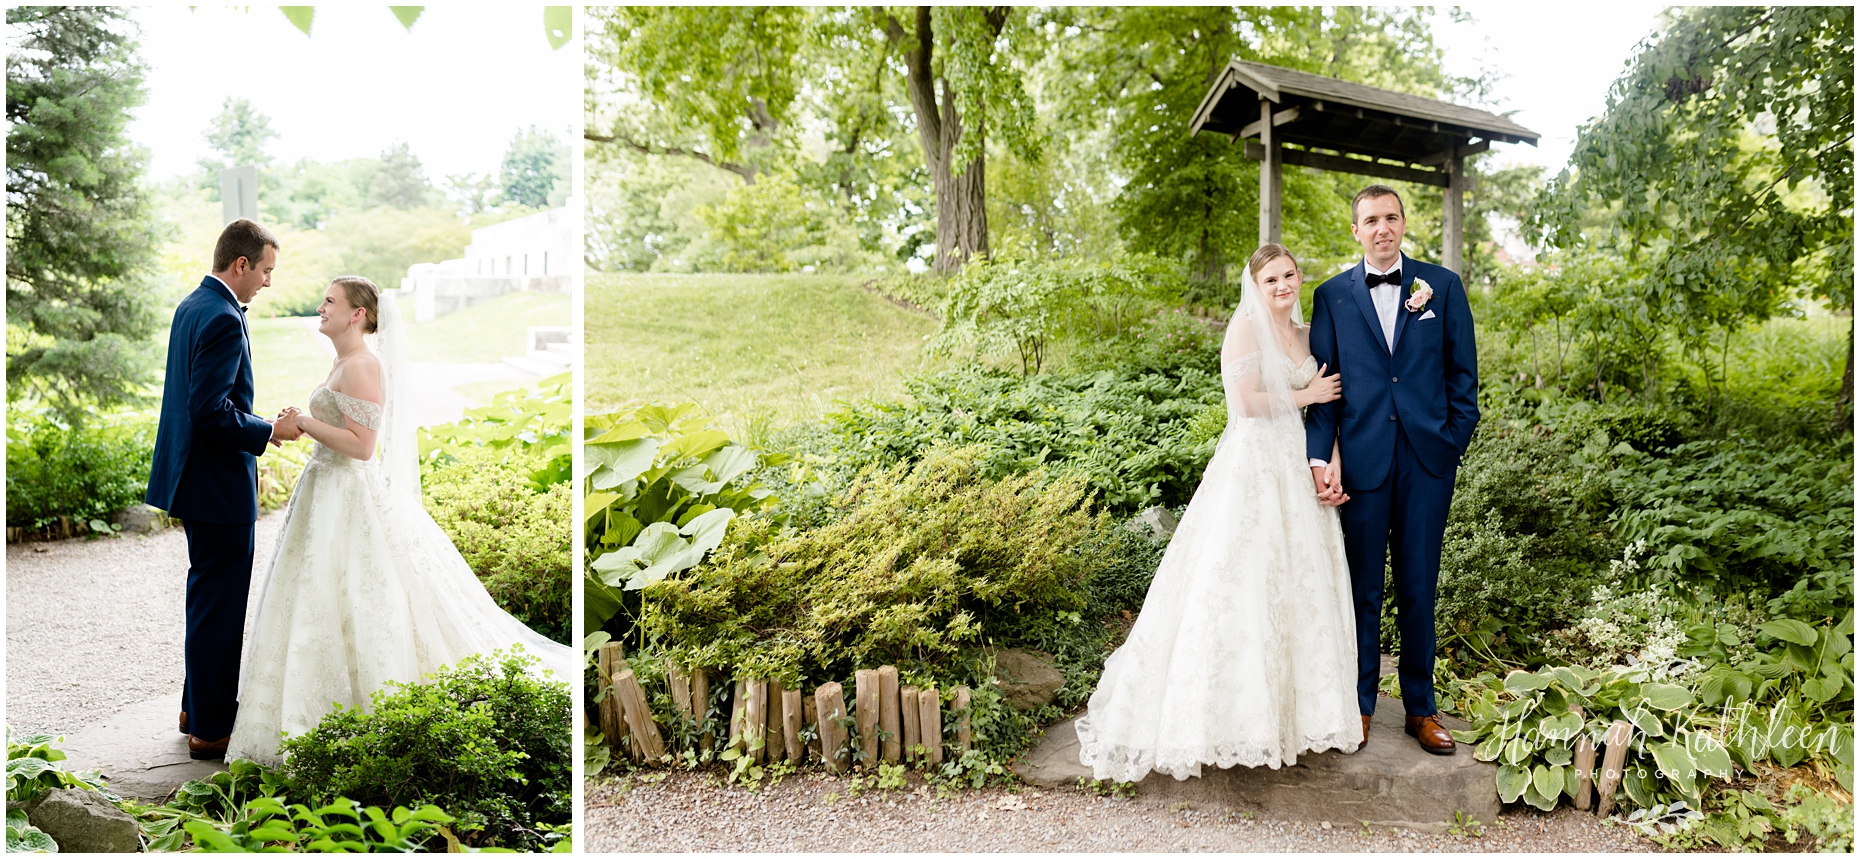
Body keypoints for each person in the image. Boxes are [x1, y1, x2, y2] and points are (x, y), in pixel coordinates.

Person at [224, 276, 574, 766]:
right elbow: (342, 428)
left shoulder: (364, 364)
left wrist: (304, 422)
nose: (320, 307)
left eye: (329, 301)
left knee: (357, 596)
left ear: (357, 315)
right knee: (315, 597)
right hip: (325, 492)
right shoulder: (343, 361)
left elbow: (363, 448)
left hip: (347, 495)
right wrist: (306, 418)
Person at [1076, 244, 1362, 782]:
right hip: (1253, 464)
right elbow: (1245, 402)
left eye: (1289, 274)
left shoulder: (1306, 336)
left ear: (1299, 277)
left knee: (1299, 586)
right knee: (1243, 580)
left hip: (1297, 465)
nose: (1283, 285)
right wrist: (1308, 395)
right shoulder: (1244, 330)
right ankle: (1228, 718)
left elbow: (1331, 413)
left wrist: (1330, 466)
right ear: (1255, 285)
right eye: (1271, 278)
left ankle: (1301, 719)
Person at [1304, 184, 1480, 755]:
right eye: (1371, 220)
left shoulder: (1443, 287)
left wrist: (1452, 442)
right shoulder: (1332, 296)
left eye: (1391, 218)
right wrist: (1319, 458)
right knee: (1361, 590)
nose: (1383, 228)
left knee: (1418, 586)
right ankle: (1358, 705)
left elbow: (1463, 377)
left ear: (1404, 224)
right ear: (1355, 230)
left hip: (1428, 461)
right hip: (1362, 461)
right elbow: (1327, 390)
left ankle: (1421, 710)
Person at [146, 219, 300, 760]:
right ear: (241, 265)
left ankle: (195, 704)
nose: (267, 282)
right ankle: (211, 729)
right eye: (265, 271)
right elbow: (210, 412)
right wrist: (269, 430)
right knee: (220, 605)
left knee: (206, 599)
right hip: (216, 485)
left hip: (193, 479)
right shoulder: (222, 317)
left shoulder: (193, 304)